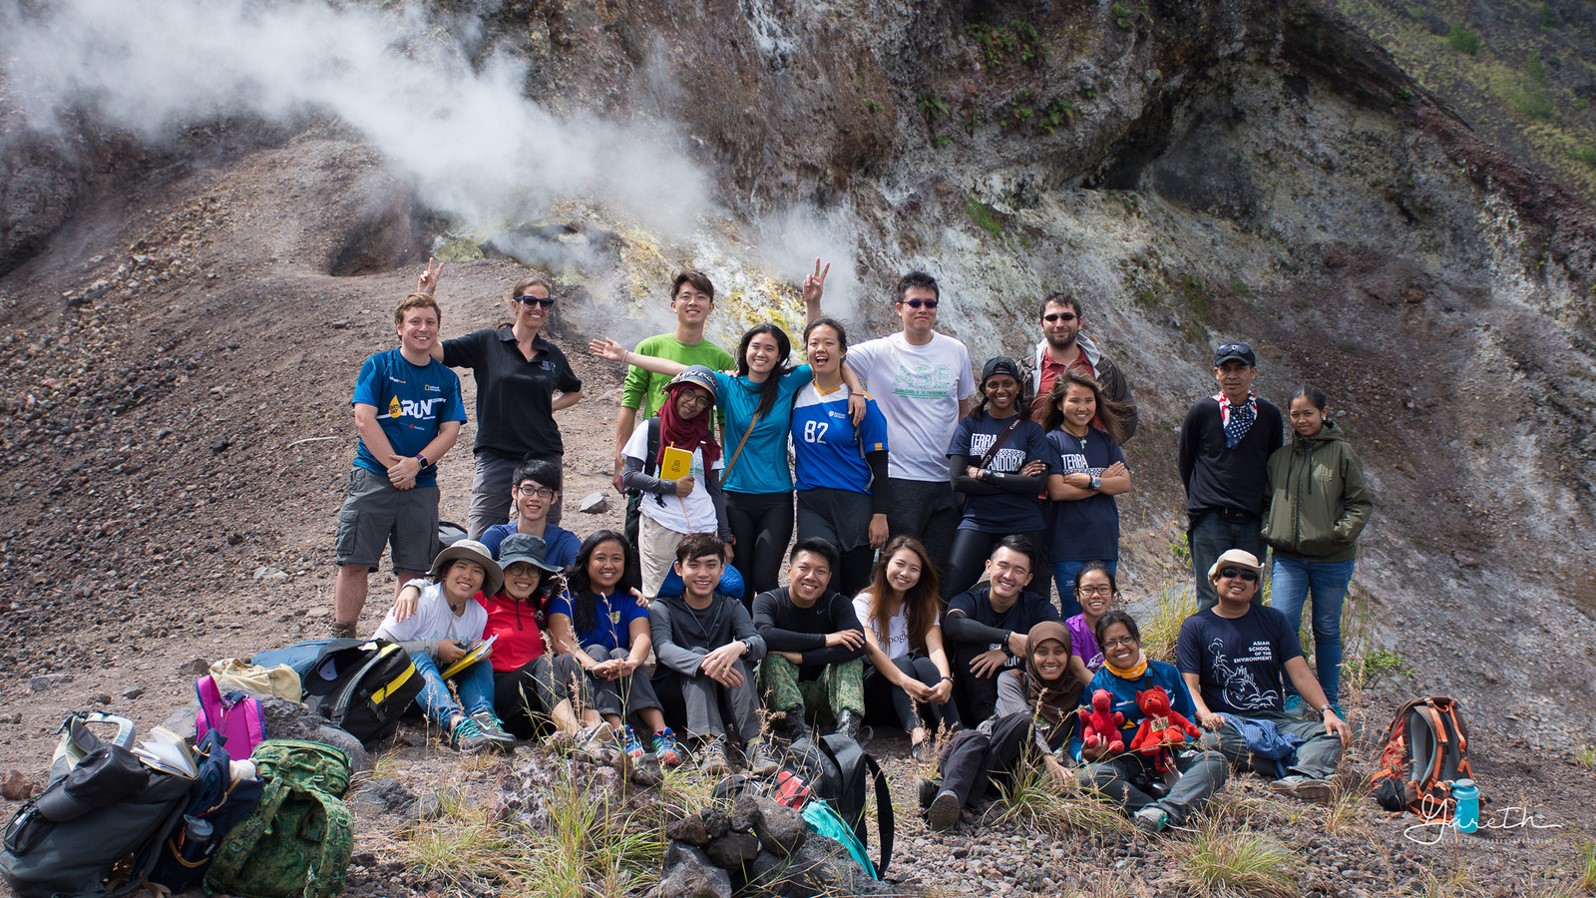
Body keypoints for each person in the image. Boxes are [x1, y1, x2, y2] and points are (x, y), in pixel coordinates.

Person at [594, 303, 861, 604]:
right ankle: (743, 644)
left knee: (765, 577)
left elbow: (823, 357)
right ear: (745, 351)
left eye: (770, 349)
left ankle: (767, 636)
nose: (761, 353)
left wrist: (855, 389)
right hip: (734, 494)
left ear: (779, 356)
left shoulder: (789, 382)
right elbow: (683, 373)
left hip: (777, 497)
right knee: (739, 577)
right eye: (755, 346)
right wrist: (627, 356)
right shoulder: (728, 385)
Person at [807, 270, 976, 566]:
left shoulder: (956, 350)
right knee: (897, 567)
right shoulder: (881, 350)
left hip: (946, 479)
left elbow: (965, 410)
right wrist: (813, 306)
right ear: (899, 308)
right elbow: (827, 355)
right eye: (915, 303)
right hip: (900, 478)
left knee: (937, 569)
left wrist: (964, 463)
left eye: (930, 303)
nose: (923, 309)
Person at [332, 289, 466, 638]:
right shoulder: (379, 365)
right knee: (355, 560)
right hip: (374, 477)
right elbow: (364, 418)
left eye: (430, 323)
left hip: (421, 485)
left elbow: (450, 431)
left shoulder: (447, 379)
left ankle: (395, 641)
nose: (423, 329)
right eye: (415, 322)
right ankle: (343, 636)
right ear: (399, 327)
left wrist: (416, 465)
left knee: (413, 569)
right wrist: (396, 467)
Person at [1177, 549, 1350, 802]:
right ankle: (1299, 765)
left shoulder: (1274, 621)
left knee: (1329, 734)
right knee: (1206, 740)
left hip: (1276, 721)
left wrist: (1327, 711)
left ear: (1256, 585)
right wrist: (1205, 715)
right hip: (1228, 723)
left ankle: (1299, 775)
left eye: (1247, 575)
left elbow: (1300, 674)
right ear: (1215, 579)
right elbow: (1189, 686)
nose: (1238, 579)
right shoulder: (1195, 626)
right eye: (1229, 572)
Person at [424, 262, 582, 538]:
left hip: (543, 452)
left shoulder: (551, 354)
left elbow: (575, 390)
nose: (538, 308)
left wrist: (549, 406)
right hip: (496, 453)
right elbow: (436, 351)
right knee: (482, 538)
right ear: (514, 304)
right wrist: (428, 295)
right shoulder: (488, 342)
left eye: (545, 303)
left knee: (544, 536)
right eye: (530, 301)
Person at [1261, 385, 1373, 713]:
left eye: (1308, 413)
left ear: (1324, 413)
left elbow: (1360, 503)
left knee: (1325, 628)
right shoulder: (1280, 458)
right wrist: (1270, 528)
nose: (1301, 420)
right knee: (1284, 624)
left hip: (1332, 560)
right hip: (1288, 559)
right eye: (1295, 414)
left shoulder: (1343, 454)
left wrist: (1338, 535)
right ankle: (1294, 694)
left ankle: (1331, 700)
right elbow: (1267, 501)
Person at [613, 271, 736, 556]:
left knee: (695, 539)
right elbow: (629, 403)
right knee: (639, 534)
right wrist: (620, 457)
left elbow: (723, 420)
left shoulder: (721, 358)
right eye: (686, 296)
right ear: (673, 304)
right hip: (653, 452)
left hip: (695, 459)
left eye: (701, 297)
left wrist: (724, 466)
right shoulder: (650, 347)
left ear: (711, 307)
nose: (693, 303)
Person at [1071, 611, 1228, 833]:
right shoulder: (1098, 686)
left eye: (1126, 639)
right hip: (1125, 763)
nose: (1120, 647)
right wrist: (1085, 754)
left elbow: (1187, 718)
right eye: (1111, 643)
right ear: (1103, 649)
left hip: (1170, 759)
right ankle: (1168, 806)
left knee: (1216, 761)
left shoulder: (1167, 673)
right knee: (1088, 778)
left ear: (1137, 640)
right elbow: (1078, 741)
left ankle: (1162, 811)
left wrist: (1174, 737)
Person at [921, 620, 1081, 832]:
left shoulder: (1075, 691)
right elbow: (1021, 717)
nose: (1050, 659)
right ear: (1030, 654)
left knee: (982, 740)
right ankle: (949, 802)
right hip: (980, 754)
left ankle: (944, 793)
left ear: (1068, 654)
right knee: (976, 737)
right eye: (1042, 652)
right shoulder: (1012, 679)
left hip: (1018, 773)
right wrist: (1048, 758)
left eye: (1058, 652)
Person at [547, 530, 680, 764]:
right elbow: (562, 642)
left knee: (622, 653)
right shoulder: (567, 598)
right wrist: (595, 665)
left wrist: (631, 663)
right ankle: (618, 731)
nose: (609, 565)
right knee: (597, 650)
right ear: (586, 561)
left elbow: (642, 637)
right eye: (600, 558)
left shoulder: (630, 599)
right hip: (584, 683)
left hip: (624, 684)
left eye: (616, 558)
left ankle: (661, 733)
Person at [649, 533, 778, 774]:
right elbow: (664, 649)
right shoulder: (663, 607)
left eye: (711, 565)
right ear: (679, 569)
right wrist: (705, 662)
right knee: (705, 655)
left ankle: (755, 743)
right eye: (694, 565)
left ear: (722, 569)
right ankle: (709, 744)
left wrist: (739, 647)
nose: (703, 574)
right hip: (675, 696)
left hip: (720, 698)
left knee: (734, 656)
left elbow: (758, 644)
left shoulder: (731, 605)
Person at [373, 540, 512, 754]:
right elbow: (378, 647)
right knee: (418, 658)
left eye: (477, 571)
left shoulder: (478, 614)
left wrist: (473, 649)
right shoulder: (421, 600)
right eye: (461, 567)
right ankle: (456, 724)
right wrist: (434, 647)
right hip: (398, 693)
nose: (468, 576)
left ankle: (484, 720)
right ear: (445, 573)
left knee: (480, 663)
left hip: (435, 693)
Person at [1178, 342, 1283, 611]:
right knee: (1210, 595)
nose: (1232, 375)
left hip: (1251, 521)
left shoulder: (1269, 415)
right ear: (1216, 373)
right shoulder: (1202, 412)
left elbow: (1274, 464)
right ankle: (1211, 652)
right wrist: (1201, 503)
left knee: (1249, 595)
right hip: (1210, 519)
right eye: (1226, 369)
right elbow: (1186, 462)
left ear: (1254, 372)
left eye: (1240, 368)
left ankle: (1248, 651)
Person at [791, 317, 891, 595]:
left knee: (854, 588)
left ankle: (851, 638)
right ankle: (819, 639)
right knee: (820, 578)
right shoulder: (797, 395)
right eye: (813, 344)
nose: (820, 349)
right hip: (812, 502)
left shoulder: (862, 403)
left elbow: (880, 465)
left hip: (854, 504)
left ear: (843, 351)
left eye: (828, 343)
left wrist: (880, 515)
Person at [619, 366, 732, 596]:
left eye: (702, 400)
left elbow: (714, 490)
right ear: (676, 392)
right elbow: (629, 476)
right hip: (661, 523)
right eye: (688, 393)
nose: (692, 403)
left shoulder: (705, 440)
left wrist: (725, 536)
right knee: (656, 594)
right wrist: (670, 487)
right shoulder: (651, 429)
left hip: (704, 526)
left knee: (699, 595)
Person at [944, 356, 1051, 597]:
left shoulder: (1032, 430)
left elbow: (1036, 484)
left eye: (1007, 383)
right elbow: (958, 481)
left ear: (1018, 386)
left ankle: (1027, 636)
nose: (1000, 390)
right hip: (978, 520)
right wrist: (1015, 481)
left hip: (1024, 520)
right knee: (950, 589)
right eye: (993, 384)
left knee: (1032, 593)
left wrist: (983, 474)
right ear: (984, 389)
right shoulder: (970, 425)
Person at [752, 538, 869, 742]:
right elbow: (765, 634)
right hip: (776, 707)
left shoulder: (837, 603)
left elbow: (858, 646)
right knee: (773, 658)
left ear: (829, 576)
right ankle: (800, 734)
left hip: (819, 702)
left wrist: (803, 658)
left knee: (850, 659)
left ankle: (846, 737)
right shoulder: (768, 601)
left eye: (820, 571)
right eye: (804, 568)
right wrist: (825, 639)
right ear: (789, 570)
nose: (811, 577)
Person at [854, 537, 958, 761]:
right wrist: (904, 680)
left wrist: (946, 681)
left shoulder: (924, 606)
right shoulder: (864, 602)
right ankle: (917, 735)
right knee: (904, 662)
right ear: (885, 564)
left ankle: (956, 734)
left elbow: (936, 649)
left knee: (921, 662)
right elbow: (872, 651)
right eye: (900, 564)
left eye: (914, 569)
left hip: (910, 694)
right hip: (875, 692)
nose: (905, 573)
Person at [476, 533, 584, 741]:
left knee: (568, 660)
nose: (524, 576)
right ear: (503, 571)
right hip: (500, 695)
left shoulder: (542, 606)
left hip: (541, 702)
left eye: (532, 570)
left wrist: (633, 596)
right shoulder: (482, 601)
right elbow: (447, 593)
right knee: (544, 663)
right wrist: (414, 587)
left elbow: (594, 601)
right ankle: (577, 734)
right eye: (517, 568)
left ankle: (594, 730)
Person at [942, 536, 1060, 726]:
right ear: (989, 566)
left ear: (1028, 579)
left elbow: (1058, 632)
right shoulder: (969, 600)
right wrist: (1009, 638)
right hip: (972, 701)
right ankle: (987, 722)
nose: (1008, 575)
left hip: (1020, 699)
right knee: (968, 642)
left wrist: (1006, 652)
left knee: (1049, 648)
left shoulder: (1034, 606)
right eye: (1003, 566)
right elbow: (953, 624)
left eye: (1018, 571)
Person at [1042, 370, 1132, 614]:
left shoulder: (1105, 440)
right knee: (1074, 612)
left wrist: (1091, 482)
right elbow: (1058, 490)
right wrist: (1103, 482)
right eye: (1075, 400)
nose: (1083, 407)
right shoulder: (1051, 441)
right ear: (1060, 404)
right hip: (1067, 544)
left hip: (1103, 541)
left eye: (1089, 400)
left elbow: (1124, 483)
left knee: (1100, 612)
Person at [1022, 291, 1139, 440]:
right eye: (1052, 318)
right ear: (1041, 325)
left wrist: (1107, 449)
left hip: (1096, 461)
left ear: (1080, 322)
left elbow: (1127, 414)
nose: (1059, 324)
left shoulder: (1105, 369)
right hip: (1044, 460)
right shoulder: (1026, 371)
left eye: (1067, 317)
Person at [479, 459, 581, 569]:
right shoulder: (496, 536)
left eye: (543, 492)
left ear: (554, 497)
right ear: (514, 492)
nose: (534, 498)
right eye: (528, 490)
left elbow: (580, 575)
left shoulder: (564, 542)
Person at [1063, 562, 1116, 689]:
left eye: (1103, 589)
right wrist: (1110, 693)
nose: (1096, 595)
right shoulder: (1070, 629)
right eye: (1088, 590)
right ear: (1077, 594)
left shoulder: (1120, 626)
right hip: (1087, 693)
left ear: (1112, 594)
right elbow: (1078, 671)